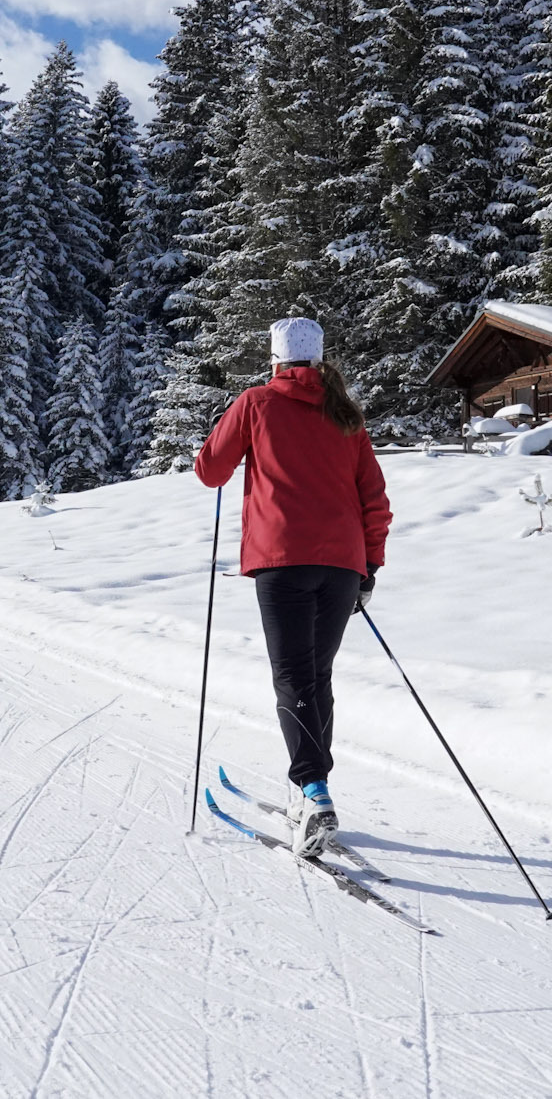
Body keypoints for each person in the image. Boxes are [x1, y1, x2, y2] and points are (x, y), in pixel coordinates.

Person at [194, 317, 392, 858]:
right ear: (320, 359)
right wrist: (369, 568)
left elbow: (210, 471)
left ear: (276, 360)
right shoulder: (346, 414)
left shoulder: (256, 403)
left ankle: (313, 790)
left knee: (293, 677)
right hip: (342, 566)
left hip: (283, 560)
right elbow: (374, 499)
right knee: (315, 675)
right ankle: (311, 789)